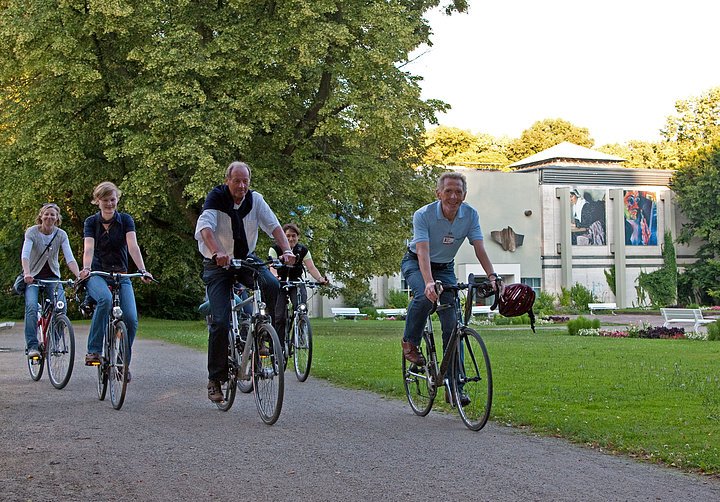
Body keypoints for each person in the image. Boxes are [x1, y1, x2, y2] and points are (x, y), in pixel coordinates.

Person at [195, 161, 296, 403]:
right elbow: (205, 229)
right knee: (220, 321)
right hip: (217, 262)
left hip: (244, 258)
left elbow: (275, 227)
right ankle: (215, 379)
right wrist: (218, 252)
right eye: (237, 181)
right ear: (227, 180)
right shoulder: (215, 198)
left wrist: (286, 251)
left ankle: (262, 333)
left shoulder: (255, 200)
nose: (241, 186)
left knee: (272, 284)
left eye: (245, 181)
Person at [401, 172, 499, 405]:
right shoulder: (423, 215)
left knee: (453, 327)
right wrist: (427, 282)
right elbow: (423, 251)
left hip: (445, 268)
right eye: (448, 191)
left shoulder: (470, 215)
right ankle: (410, 342)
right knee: (425, 299)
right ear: (438, 194)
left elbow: (479, 248)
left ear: (464, 195)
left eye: (458, 192)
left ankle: (455, 384)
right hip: (417, 263)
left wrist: (492, 276)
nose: (453, 196)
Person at [79, 182, 153, 379]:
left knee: (130, 318)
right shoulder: (90, 222)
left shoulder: (126, 220)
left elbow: (133, 246)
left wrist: (142, 270)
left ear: (117, 200)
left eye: (112, 199)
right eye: (105, 200)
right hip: (97, 273)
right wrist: (86, 268)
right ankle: (94, 350)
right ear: (98, 201)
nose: (109, 204)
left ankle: (122, 361)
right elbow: (88, 248)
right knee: (104, 299)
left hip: (121, 274)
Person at [20, 203, 81, 359]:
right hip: (33, 277)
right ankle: (33, 346)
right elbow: (25, 255)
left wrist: (78, 275)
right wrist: (27, 273)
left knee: (61, 307)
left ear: (57, 218)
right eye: (46, 214)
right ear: (41, 216)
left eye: (53, 215)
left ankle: (54, 341)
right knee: (32, 308)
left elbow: (69, 258)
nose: (49, 217)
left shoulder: (61, 235)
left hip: (52, 277)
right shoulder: (32, 232)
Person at [269, 223, 330, 344]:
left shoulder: (303, 250)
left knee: (301, 306)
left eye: (294, 236)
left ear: (298, 237)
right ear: (282, 237)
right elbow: (272, 266)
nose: (291, 239)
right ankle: (278, 345)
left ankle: (300, 333)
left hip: (295, 282)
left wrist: (320, 279)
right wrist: (275, 276)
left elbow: (311, 267)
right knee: (279, 316)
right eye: (287, 236)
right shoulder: (275, 249)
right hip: (279, 283)